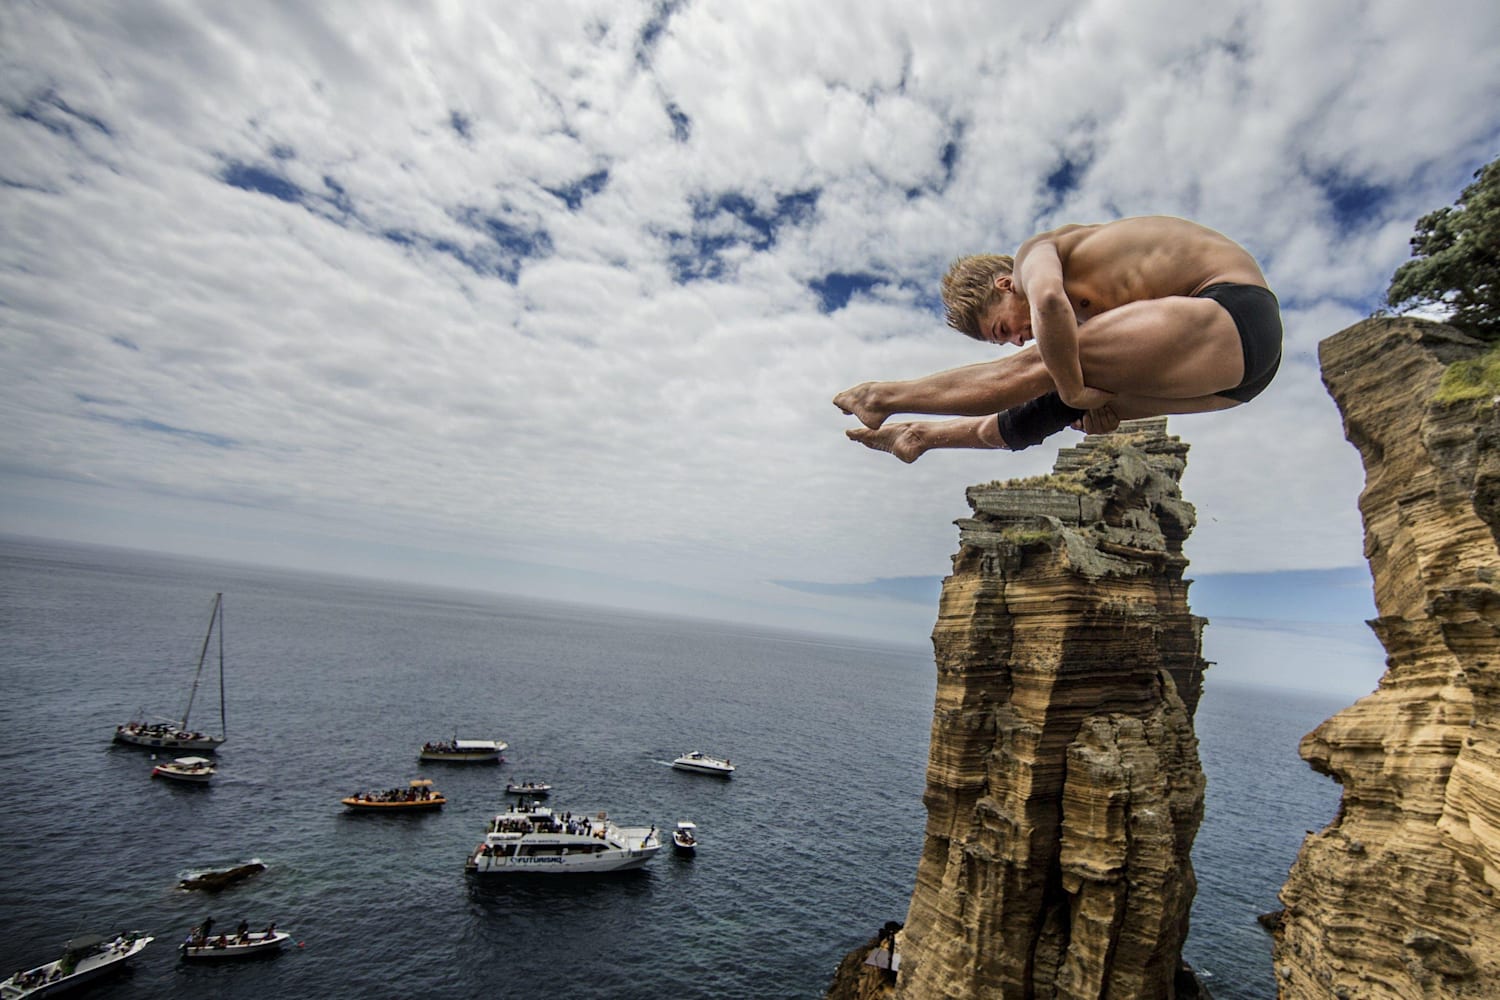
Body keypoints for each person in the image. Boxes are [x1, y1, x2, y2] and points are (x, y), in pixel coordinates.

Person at [834, 216, 1281, 461]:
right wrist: (1085, 408)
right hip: (1237, 384)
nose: (1015, 340)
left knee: (1046, 369)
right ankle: (922, 436)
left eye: (1003, 329)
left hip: (1235, 307)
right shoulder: (1102, 325)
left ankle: (882, 396)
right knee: (1053, 411)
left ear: (1005, 285)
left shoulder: (1036, 254)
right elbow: (1082, 395)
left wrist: (1069, 386)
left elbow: (1047, 300)